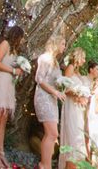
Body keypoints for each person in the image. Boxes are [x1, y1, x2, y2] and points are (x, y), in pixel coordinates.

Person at [0, 26, 25, 167]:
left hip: (9, 85)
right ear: (16, 35)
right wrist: (13, 70)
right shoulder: (5, 44)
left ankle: (1, 151)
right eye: (21, 37)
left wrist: (19, 72)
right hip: (1, 82)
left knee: (3, 118)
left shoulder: (15, 50)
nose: (22, 41)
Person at [34, 35, 66, 169]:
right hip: (43, 97)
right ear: (56, 44)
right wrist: (55, 92)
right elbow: (39, 80)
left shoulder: (56, 62)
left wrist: (62, 87)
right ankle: (44, 165)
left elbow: (55, 81)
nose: (64, 46)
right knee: (52, 133)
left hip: (52, 98)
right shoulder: (45, 58)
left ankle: (45, 165)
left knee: (52, 134)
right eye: (63, 44)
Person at [59, 48, 89, 169]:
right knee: (73, 140)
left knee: (78, 140)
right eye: (83, 57)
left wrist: (84, 96)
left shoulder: (78, 72)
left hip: (78, 109)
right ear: (77, 57)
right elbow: (64, 88)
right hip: (71, 108)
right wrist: (78, 94)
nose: (84, 60)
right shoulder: (70, 68)